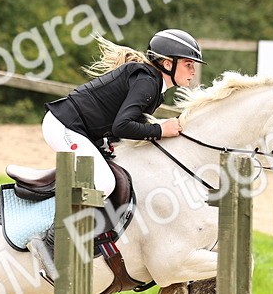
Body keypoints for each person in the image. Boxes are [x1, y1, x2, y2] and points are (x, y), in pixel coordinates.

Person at [42, 29, 204, 196]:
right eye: (188, 64)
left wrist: (160, 126)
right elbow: (122, 126)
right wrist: (160, 130)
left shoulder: (153, 86)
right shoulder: (147, 83)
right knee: (104, 184)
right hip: (64, 126)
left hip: (78, 128)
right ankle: (60, 221)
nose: (193, 71)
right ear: (168, 64)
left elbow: (127, 126)